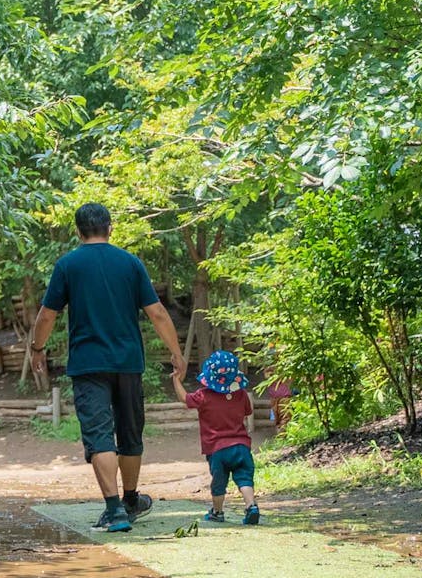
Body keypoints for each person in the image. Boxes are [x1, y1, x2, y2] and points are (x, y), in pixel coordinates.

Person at [30, 202, 186, 533]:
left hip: (88, 365)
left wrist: (37, 349)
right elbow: (156, 312)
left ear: (78, 231)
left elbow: (47, 315)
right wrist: (177, 353)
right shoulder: (130, 263)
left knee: (100, 435)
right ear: (110, 227)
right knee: (130, 432)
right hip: (128, 363)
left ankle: (116, 510)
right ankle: (130, 500)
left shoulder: (68, 265)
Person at [172, 350, 259, 525]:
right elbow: (246, 414)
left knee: (219, 482)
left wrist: (176, 379)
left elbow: (184, 398)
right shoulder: (241, 394)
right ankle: (251, 506)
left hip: (217, 449)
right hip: (241, 446)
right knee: (244, 478)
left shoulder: (203, 395)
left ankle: (217, 512)